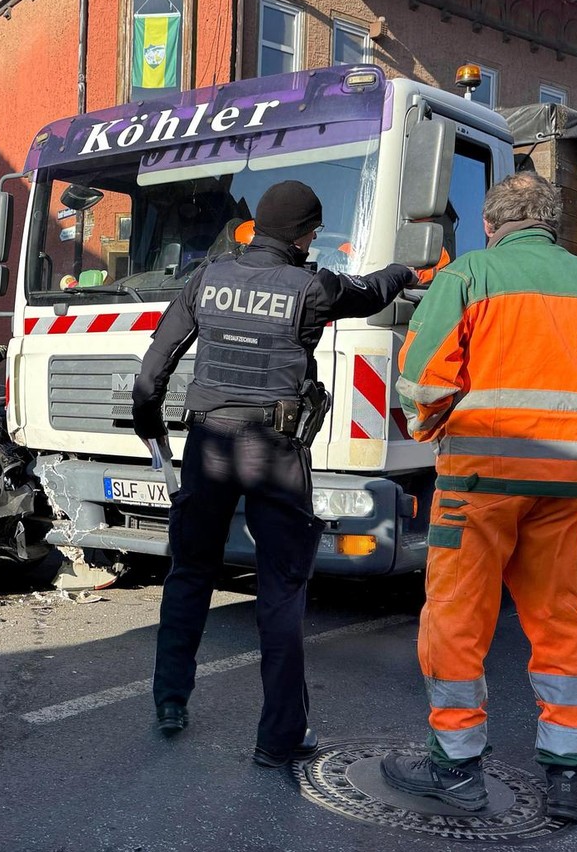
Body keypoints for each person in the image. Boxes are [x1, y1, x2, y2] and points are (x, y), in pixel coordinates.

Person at [385, 172, 577, 823]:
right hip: (559, 484)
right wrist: (572, 431)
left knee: (457, 622)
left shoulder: (469, 276)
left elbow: (420, 380)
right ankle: (567, 775)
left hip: (477, 484)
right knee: (557, 622)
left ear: (492, 224)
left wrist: (434, 432)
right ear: (552, 225)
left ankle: (454, 767)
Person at [132, 180, 418, 767]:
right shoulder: (311, 287)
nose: (315, 239)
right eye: (313, 231)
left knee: (189, 573)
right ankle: (279, 739)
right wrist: (405, 271)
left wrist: (150, 427)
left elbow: (152, 371)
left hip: (208, 446)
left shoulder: (207, 278)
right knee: (281, 591)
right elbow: (369, 294)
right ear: (302, 232)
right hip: (275, 448)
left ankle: (169, 700)